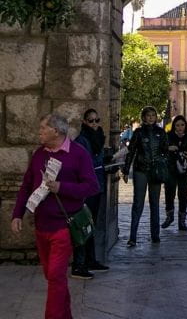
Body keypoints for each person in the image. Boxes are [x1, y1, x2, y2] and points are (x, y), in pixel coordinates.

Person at [11, 113, 99, 319]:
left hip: (64, 227)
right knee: (52, 278)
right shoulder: (39, 154)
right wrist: (17, 214)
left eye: (43, 128)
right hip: (41, 225)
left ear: (56, 131)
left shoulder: (78, 154)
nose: (39, 131)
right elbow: (26, 186)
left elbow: (92, 186)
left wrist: (62, 187)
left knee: (56, 276)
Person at [71, 109, 110, 279]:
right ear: (85, 122)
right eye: (91, 121)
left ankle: (90, 259)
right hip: (87, 188)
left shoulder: (98, 138)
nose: (94, 124)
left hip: (97, 185)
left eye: (96, 120)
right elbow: (82, 163)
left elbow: (98, 160)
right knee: (83, 224)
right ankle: (79, 264)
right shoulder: (82, 141)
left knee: (91, 223)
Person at [123, 106, 169, 246]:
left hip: (155, 171)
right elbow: (131, 152)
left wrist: (162, 164)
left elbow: (165, 151)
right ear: (143, 117)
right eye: (148, 115)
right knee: (138, 203)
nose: (150, 118)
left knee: (155, 203)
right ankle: (132, 237)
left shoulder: (161, 133)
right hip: (141, 170)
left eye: (153, 115)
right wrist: (126, 170)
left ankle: (155, 235)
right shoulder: (138, 132)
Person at [160, 115, 187, 232]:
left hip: (185, 170)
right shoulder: (168, 137)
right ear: (174, 126)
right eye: (177, 125)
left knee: (183, 195)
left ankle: (182, 221)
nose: (180, 127)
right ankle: (170, 216)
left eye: (182, 125)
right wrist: (168, 148)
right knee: (169, 193)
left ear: (185, 125)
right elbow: (160, 149)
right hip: (170, 170)